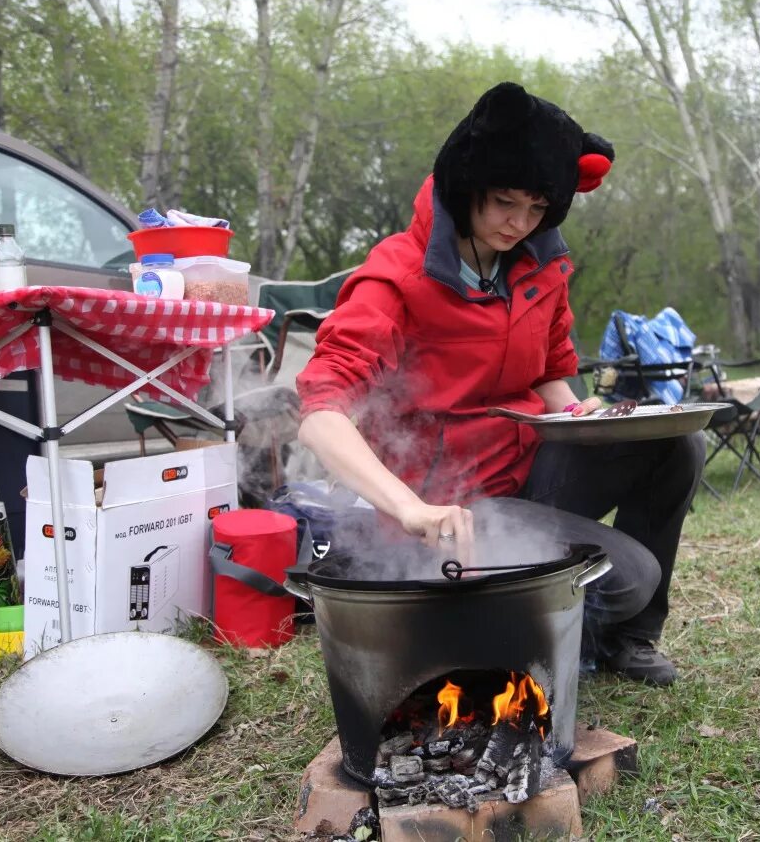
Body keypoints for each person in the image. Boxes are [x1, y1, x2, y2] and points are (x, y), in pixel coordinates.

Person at [296, 82, 704, 687]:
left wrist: (578, 418)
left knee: (676, 444)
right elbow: (321, 412)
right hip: (449, 508)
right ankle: (487, 633)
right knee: (627, 577)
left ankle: (627, 642)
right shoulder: (396, 278)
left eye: (537, 208)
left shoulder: (539, 266)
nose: (519, 223)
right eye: (504, 203)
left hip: (529, 472)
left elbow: (549, 376)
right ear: (467, 189)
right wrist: (410, 508)